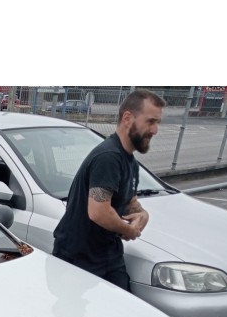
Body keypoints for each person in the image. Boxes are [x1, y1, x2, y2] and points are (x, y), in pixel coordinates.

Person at [52, 89, 166, 290]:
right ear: (128, 118)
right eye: (150, 121)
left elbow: (128, 202)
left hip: (108, 254)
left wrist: (142, 215)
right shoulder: (108, 157)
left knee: (121, 311)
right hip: (79, 258)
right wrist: (128, 230)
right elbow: (98, 211)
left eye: (157, 123)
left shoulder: (129, 162)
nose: (155, 130)